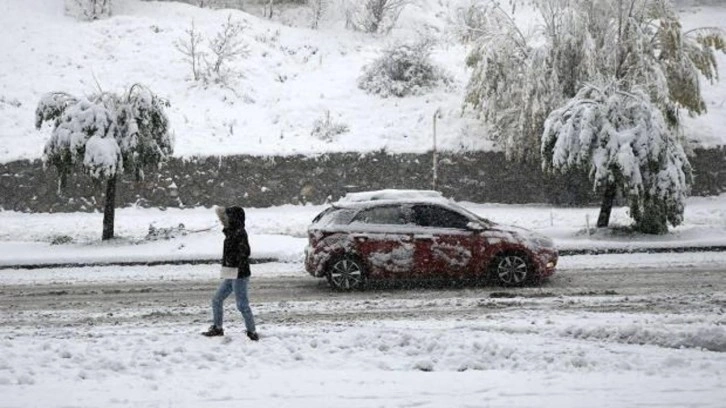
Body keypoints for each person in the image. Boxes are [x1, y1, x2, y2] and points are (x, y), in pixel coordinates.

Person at [201, 205, 259, 341]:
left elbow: (245, 252)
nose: (224, 219)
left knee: (242, 305)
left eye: (227, 217)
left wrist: (233, 262)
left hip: (239, 274)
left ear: (234, 218)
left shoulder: (240, 232)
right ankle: (217, 328)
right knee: (217, 299)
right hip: (230, 272)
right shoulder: (231, 231)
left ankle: (252, 332)